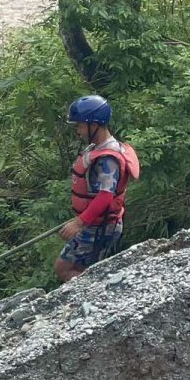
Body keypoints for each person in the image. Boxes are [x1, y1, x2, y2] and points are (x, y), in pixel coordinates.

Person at [56, 94, 140, 283]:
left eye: (79, 125)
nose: (77, 130)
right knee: (80, 268)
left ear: (94, 125)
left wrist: (79, 222)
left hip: (101, 226)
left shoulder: (108, 159)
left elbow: (105, 196)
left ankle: (96, 297)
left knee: (64, 268)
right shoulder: (98, 148)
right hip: (97, 222)